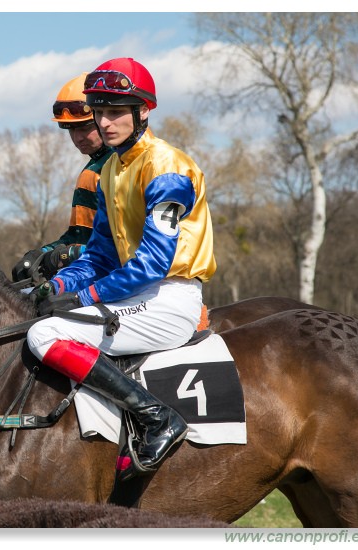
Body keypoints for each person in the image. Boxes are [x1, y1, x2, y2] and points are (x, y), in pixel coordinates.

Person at [27, 58, 217, 477]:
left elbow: (151, 263)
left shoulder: (167, 166)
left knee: (45, 333)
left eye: (116, 111)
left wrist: (83, 296)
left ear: (143, 111)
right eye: (100, 111)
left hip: (170, 297)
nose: (105, 122)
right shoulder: (110, 169)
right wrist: (53, 286)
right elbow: (97, 255)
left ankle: (157, 418)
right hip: (135, 296)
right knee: (31, 314)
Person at [11, 74, 111, 283]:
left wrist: (63, 255)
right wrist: (42, 253)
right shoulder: (93, 168)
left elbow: (113, 247)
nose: (77, 138)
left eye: (84, 128)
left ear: (104, 117)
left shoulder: (98, 172)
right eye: (71, 130)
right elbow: (79, 236)